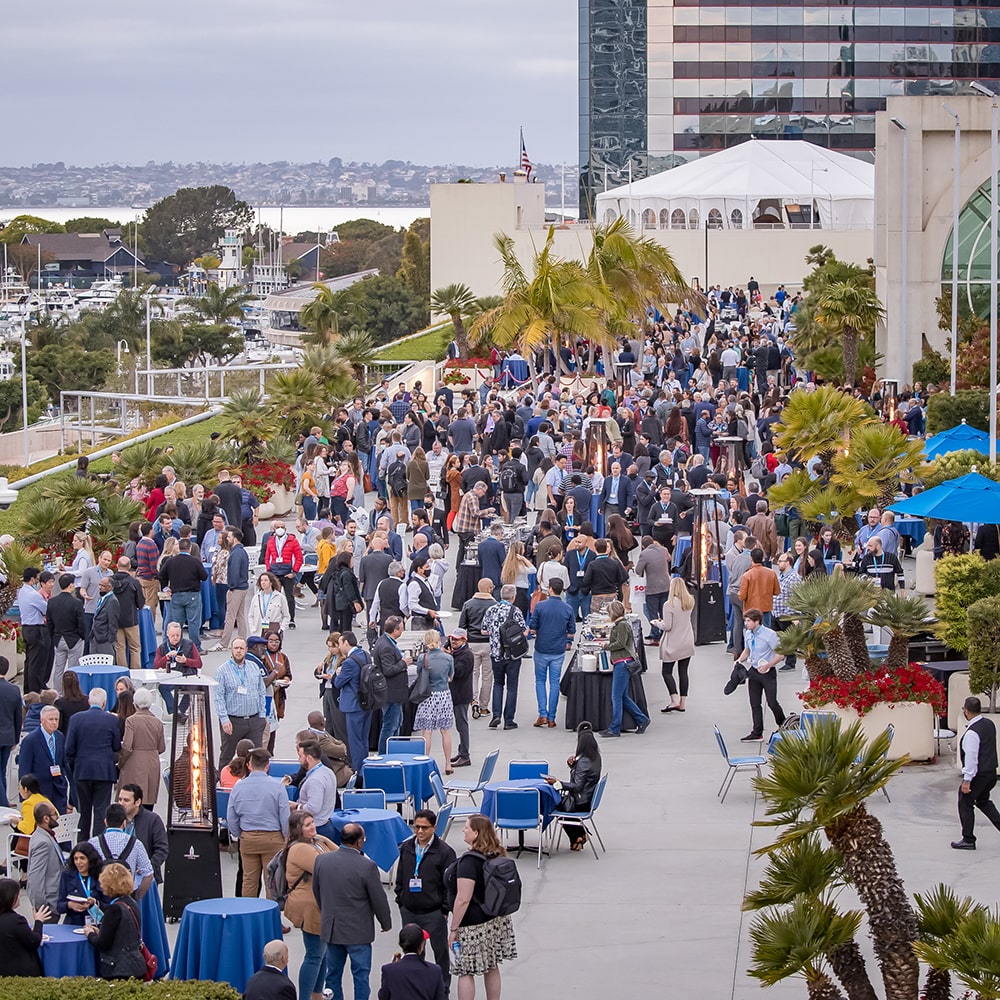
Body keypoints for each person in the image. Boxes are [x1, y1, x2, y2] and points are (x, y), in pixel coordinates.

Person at [312, 822, 393, 1000]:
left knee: (332, 975)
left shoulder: (321, 860)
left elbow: (317, 892)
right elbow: (378, 898)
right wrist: (385, 922)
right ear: (359, 843)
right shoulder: (367, 866)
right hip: (358, 932)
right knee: (361, 977)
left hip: (332, 929)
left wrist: (327, 912)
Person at [448, 815, 517, 999]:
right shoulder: (497, 852)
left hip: (473, 924)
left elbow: (463, 898)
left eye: (467, 828)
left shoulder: (469, 862)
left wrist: (454, 928)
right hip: (495, 919)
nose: (463, 830)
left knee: (465, 971)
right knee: (492, 964)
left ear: (476, 833)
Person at [393, 808, 456, 992]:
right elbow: (401, 876)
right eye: (417, 827)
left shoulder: (445, 852)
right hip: (410, 911)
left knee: (441, 953)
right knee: (413, 954)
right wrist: (401, 900)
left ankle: (443, 989)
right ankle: (416, 988)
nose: (420, 832)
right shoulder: (406, 847)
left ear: (434, 827)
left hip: (434, 913)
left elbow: (449, 885)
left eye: (425, 828)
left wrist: (444, 910)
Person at [283, 812, 338, 1000]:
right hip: (310, 907)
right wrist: (321, 840)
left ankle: (316, 994)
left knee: (321, 954)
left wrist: (321, 837)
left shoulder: (315, 842)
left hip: (320, 904)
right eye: (307, 825)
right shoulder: (300, 849)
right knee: (315, 954)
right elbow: (331, 867)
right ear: (298, 829)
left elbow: (339, 853)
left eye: (313, 822)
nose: (313, 827)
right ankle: (305, 997)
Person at [227, 748, 290, 898]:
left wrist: (239, 834)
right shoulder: (278, 787)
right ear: (267, 766)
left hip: (248, 838)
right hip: (273, 839)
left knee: (249, 880)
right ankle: (270, 919)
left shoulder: (238, 787)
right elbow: (285, 816)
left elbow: (231, 816)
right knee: (272, 881)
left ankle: (248, 916)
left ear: (249, 765)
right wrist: (285, 837)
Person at [66, 688, 122, 839]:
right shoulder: (112, 720)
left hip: (82, 771)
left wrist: (74, 767)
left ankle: (82, 849)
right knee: (101, 813)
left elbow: (69, 748)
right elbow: (117, 746)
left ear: (89, 701)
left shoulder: (76, 719)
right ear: (104, 703)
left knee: (83, 813)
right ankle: (98, 848)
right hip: (104, 772)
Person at [83, 862, 147, 980]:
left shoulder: (114, 909)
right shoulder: (132, 902)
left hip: (118, 969)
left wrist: (90, 933)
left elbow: (102, 943)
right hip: (136, 963)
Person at [952, 696, 1000, 850]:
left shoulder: (972, 733)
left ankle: (968, 839)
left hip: (979, 775)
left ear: (966, 711)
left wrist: (967, 780)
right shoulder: (989, 724)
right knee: (983, 801)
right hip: (991, 772)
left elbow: (972, 758)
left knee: (965, 801)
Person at [527, 578, 575, 728]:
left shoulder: (540, 607)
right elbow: (572, 632)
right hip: (558, 649)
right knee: (554, 683)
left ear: (550, 589)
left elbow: (533, 628)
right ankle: (552, 717)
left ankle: (543, 714)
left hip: (542, 648)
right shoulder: (568, 608)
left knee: (540, 681)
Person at [599, 601, 650, 739]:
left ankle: (615, 728)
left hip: (622, 663)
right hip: (624, 663)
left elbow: (620, 644)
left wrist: (606, 646)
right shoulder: (622, 624)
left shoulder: (621, 626)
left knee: (616, 697)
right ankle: (641, 719)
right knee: (623, 696)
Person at [547, 722, 602, 851]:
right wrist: (573, 766)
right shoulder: (595, 757)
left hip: (581, 801)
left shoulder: (583, 761)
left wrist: (557, 782)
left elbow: (577, 786)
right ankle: (578, 837)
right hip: (588, 798)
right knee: (561, 805)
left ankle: (580, 834)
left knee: (556, 804)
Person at [734, 608, 786, 742]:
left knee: (772, 702)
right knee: (754, 703)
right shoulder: (748, 633)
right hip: (754, 671)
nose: (746, 623)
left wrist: (768, 665)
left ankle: (784, 725)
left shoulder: (770, 635)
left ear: (757, 621)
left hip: (768, 672)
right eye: (745, 620)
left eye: (749, 621)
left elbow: (780, 655)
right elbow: (747, 650)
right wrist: (740, 660)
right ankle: (757, 732)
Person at [216, 637, 268, 767]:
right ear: (231, 650)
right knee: (227, 755)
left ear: (246, 650)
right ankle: (224, 783)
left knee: (257, 755)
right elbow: (218, 697)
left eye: (241, 648)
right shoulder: (222, 671)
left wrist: (262, 715)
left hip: (254, 719)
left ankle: (255, 784)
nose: (238, 651)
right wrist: (224, 719)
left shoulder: (254, 667)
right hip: (233, 721)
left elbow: (261, 691)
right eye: (236, 648)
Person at [482, 585, 527, 731]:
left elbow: (483, 630)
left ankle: (496, 715)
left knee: (498, 683)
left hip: (496, 654)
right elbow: (524, 631)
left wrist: (495, 634)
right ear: (513, 597)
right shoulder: (515, 611)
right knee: (512, 687)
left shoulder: (491, 610)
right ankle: (509, 720)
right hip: (512, 654)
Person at [334, 633, 375, 783]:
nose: (339, 647)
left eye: (340, 643)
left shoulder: (349, 662)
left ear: (346, 643)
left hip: (353, 706)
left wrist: (337, 673)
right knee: (363, 740)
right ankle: (365, 769)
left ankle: (359, 774)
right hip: (366, 703)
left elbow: (338, 683)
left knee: (355, 741)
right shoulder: (365, 654)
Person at [413, 631, 456, 771]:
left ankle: (425, 762)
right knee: (446, 731)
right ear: (439, 641)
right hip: (443, 694)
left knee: (427, 732)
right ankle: (448, 764)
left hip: (428, 696)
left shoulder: (422, 658)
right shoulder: (448, 658)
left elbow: (420, 675)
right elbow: (451, 677)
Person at [118, 688, 166, 806]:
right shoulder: (157, 722)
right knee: (148, 798)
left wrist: (121, 762)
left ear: (135, 703)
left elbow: (127, 746)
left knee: (131, 800)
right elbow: (162, 748)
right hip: (152, 762)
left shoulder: (131, 721)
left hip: (134, 762)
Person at [377, 922, 447, 1000]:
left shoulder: (389, 970)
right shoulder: (435, 971)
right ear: (421, 946)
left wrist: (394, 967)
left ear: (401, 944)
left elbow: (383, 996)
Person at [458, 580, 496, 720]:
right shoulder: (494, 605)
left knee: (473, 674)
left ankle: (472, 700)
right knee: (487, 676)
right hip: (488, 643)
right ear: (489, 589)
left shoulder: (468, 604)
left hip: (472, 643)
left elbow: (462, 625)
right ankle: (484, 706)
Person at [373, 617, 412, 754]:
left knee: (397, 723)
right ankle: (384, 755)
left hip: (395, 694)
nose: (403, 630)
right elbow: (388, 670)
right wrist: (403, 663)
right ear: (395, 630)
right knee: (390, 726)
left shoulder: (387, 642)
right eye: (401, 628)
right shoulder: (386, 647)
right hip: (391, 694)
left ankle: (393, 751)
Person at [657, 577, 696, 713]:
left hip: (673, 642)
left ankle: (674, 698)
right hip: (686, 640)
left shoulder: (669, 604)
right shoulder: (689, 602)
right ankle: (683, 702)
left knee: (667, 671)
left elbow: (667, 626)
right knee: (683, 672)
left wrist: (656, 623)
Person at [18, 706, 68, 813]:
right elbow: (24, 769)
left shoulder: (60, 737)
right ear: (42, 720)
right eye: (51, 719)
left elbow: (63, 762)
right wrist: (25, 795)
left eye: (56, 719)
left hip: (58, 789)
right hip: (39, 791)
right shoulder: (30, 740)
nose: (54, 722)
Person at [118, 784, 168, 884]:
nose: (121, 803)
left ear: (138, 802)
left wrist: (147, 867)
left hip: (142, 877)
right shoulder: (115, 818)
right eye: (120, 799)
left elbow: (162, 849)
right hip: (118, 876)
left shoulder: (152, 819)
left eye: (126, 800)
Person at [45, 574, 86, 696]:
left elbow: (49, 621)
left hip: (58, 638)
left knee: (58, 668)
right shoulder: (76, 603)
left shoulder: (52, 602)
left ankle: (58, 693)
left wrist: (53, 635)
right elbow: (81, 622)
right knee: (73, 669)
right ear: (71, 585)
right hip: (74, 639)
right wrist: (82, 636)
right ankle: (71, 693)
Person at [0, 876, 49, 977]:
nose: (20, 897)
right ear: (10, 897)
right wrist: (39, 921)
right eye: (18, 895)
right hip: (20, 972)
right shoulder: (16, 921)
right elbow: (34, 941)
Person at [153, 620, 203, 717]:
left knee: (192, 687)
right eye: (173, 636)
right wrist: (166, 657)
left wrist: (186, 660)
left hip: (186, 676)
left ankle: (180, 711)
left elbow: (199, 663)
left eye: (178, 635)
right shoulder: (162, 647)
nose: (176, 638)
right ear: (167, 634)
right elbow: (155, 666)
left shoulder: (189, 644)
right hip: (170, 678)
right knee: (162, 687)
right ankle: (175, 711)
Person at [294, 741, 339, 841]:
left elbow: (313, 808)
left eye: (300, 756)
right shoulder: (328, 771)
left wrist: (296, 807)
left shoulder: (315, 780)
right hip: (325, 823)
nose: (299, 760)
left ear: (308, 758)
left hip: (317, 828)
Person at [264, 519, 304, 630]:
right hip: (274, 572)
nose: (280, 529)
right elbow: (267, 557)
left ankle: (291, 619)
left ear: (285, 529)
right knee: (272, 597)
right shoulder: (271, 541)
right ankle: (273, 619)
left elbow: (299, 558)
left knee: (289, 598)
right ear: (274, 529)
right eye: (277, 527)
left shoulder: (292, 540)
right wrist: (268, 571)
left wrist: (294, 572)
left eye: (282, 527)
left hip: (287, 573)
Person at [26, 802, 62, 918]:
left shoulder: (44, 836)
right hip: (47, 906)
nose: (58, 816)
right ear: (46, 818)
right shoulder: (43, 843)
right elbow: (35, 877)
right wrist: (42, 907)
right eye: (55, 814)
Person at [57, 841, 107, 925]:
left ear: (90, 859)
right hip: (73, 923)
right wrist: (69, 905)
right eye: (75, 859)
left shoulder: (101, 875)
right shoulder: (67, 874)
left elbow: (110, 905)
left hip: (97, 923)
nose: (78, 862)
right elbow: (59, 905)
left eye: (82, 858)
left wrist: (95, 903)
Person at [19, 569, 53, 694]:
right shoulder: (33, 595)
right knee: (36, 661)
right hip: (35, 628)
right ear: (32, 579)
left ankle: (28, 687)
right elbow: (46, 609)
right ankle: (35, 689)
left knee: (29, 659)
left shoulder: (21, 591)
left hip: (26, 628)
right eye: (37, 578)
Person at [111, 556, 145, 668]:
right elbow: (140, 603)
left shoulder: (110, 581)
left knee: (119, 647)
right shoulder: (134, 582)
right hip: (131, 619)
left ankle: (122, 672)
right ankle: (136, 673)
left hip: (115, 619)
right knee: (135, 648)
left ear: (117, 565)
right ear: (129, 566)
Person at [447, 628, 474, 769]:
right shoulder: (458, 652)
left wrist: (449, 658)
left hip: (461, 695)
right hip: (457, 693)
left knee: (462, 725)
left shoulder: (466, 655)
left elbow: (458, 672)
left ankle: (465, 755)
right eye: (452, 639)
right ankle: (461, 751)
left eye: (456, 639)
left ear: (464, 640)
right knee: (460, 725)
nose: (453, 642)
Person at [0, 656, 21, 808]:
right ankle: (4, 799)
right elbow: (18, 717)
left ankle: (2, 802)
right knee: (3, 769)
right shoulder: (13, 690)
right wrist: (15, 739)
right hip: (7, 736)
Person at [249, 571, 291, 637]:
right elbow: (251, 615)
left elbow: (286, 616)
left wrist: (281, 629)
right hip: (258, 631)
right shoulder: (256, 597)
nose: (263, 582)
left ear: (271, 582)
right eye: (261, 580)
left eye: (266, 580)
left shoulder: (280, 597)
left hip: (274, 631)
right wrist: (252, 628)